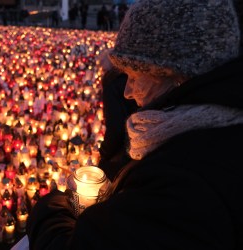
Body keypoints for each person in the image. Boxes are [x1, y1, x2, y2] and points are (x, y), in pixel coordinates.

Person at [27, 1, 243, 249]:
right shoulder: (215, 132)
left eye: (133, 75)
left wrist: (50, 208)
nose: (127, 91)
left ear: (176, 75)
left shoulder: (183, 180)